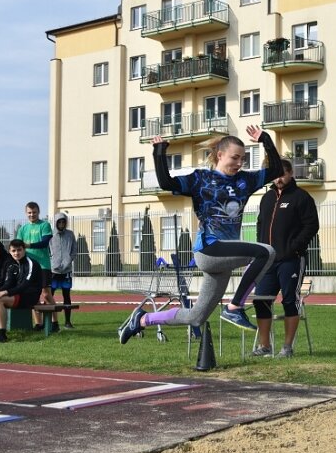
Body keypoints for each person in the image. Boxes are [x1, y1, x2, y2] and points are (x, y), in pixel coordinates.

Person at [118, 124, 283, 344]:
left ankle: (142, 320)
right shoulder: (200, 179)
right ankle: (234, 307)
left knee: (196, 317)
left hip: (224, 257)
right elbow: (166, 183)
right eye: (235, 158)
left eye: (243, 159)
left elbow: (277, 170)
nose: (239, 163)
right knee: (266, 252)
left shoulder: (246, 181)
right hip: (209, 249)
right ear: (220, 154)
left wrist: (265, 139)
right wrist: (160, 152)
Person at [252, 159, 319, 358]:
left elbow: (311, 226)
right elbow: (260, 225)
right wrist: (261, 249)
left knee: (289, 301)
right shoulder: (267, 198)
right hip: (268, 261)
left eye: (282, 174)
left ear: (290, 174)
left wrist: (293, 248)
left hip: (291, 260)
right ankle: (265, 346)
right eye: (275, 175)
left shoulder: (301, 197)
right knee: (261, 300)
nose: (279, 179)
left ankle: (287, 347)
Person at [17, 201, 58, 332]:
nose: (32, 215)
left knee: (46, 294)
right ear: (26, 213)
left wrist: (29, 245)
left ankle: (55, 322)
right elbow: (18, 245)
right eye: (29, 212)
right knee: (32, 295)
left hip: (43, 265)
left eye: (34, 212)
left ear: (38, 212)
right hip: (28, 266)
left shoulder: (45, 225)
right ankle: (39, 324)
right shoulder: (22, 229)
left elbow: (45, 243)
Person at [49, 212, 77, 329]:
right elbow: (47, 251)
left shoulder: (70, 235)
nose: (61, 224)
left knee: (67, 295)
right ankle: (51, 321)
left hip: (66, 271)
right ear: (55, 223)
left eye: (63, 221)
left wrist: (67, 262)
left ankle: (67, 321)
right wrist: (52, 263)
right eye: (59, 222)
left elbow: (74, 251)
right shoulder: (50, 235)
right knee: (50, 295)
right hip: (53, 271)